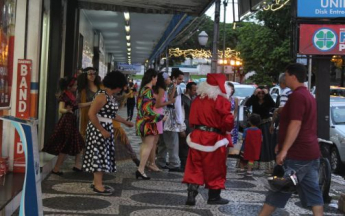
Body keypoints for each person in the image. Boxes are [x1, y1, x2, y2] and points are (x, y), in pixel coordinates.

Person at [259, 63, 323, 216]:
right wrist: (281, 144)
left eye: (286, 75)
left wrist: (284, 150)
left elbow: (296, 124)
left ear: (293, 76)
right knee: (313, 193)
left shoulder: (297, 96)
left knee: (280, 189)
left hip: (297, 154)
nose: (284, 78)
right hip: (311, 153)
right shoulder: (308, 95)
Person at [183, 74, 234, 206]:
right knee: (215, 168)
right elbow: (228, 121)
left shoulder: (197, 99)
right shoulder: (221, 100)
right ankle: (214, 197)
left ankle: (191, 192)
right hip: (214, 139)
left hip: (197, 136)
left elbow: (191, 119)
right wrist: (225, 130)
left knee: (195, 166)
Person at [82, 71, 133, 195]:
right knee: (99, 156)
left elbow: (110, 114)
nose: (122, 89)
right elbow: (91, 114)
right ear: (117, 85)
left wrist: (125, 122)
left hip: (104, 126)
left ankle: (97, 183)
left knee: (102, 156)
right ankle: (98, 186)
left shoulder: (107, 95)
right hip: (98, 129)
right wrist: (102, 130)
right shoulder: (102, 96)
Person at [43, 76, 85, 175]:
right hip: (67, 122)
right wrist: (67, 110)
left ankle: (76, 165)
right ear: (69, 87)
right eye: (74, 85)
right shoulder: (65, 96)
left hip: (71, 122)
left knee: (79, 142)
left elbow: (77, 105)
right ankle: (57, 168)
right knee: (66, 145)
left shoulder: (70, 95)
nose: (76, 86)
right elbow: (61, 109)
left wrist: (91, 103)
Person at [136, 69, 164, 180]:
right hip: (148, 122)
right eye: (156, 78)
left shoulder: (142, 89)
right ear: (152, 77)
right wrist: (161, 117)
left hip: (141, 121)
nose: (157, 80)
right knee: (148, 145)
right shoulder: (148, 91)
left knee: (144, 145)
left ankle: (141, 168)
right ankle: (141, 169)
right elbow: (147, 109)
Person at [156, 69, 185, 172]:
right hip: (170, 119)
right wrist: (180, 122)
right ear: (174, 78)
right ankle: (174, 163)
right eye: (180, 79)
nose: (181, 81)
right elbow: (176, 106)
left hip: (164, 118)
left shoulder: (166, 88)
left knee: (163, 142)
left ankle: (160, 161)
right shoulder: (175, 88)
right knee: (172, 142)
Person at [146, 72, 175, 172]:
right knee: (154, 142)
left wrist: (174, 87)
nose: (170, 80)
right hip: (158, 114)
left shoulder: (156, 88)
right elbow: (159, 105)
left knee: (152, 141)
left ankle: (149, 162)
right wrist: (170, 102)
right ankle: (152, 163)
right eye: (168, 78)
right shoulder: (161, 89)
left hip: (154, 114)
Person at [245, 86, 275, 172]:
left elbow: (274, 105)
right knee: (253, 144)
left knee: (265, 144)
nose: (261, 95)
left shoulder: (268, 100)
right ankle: (252, 163)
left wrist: (267, 94)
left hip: (265, 124)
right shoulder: (254, 99)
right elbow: (247, 104)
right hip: (255, 125)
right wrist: (254, 95)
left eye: (262, 93)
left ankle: (265, 163)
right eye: (259, 93)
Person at [113, 92, 140, 166]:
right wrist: (125, 122)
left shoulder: (111, 95)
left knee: (124, 141)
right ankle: (135, 159)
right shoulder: (105, 94)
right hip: (109, 125)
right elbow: (111, 113)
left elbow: (112, 113)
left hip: (114, 125)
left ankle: (135, 158)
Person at [77, 67, 101, 140]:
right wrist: (92, 103)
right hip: (87, 116)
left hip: (100, 115)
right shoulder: (82, 90)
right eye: (90, 74)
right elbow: (78, 104)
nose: (92, 76)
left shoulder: (100, 87)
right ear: (85, 76)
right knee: (87, 137)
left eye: (94, 74)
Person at [179, 82, 197, 171]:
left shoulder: (194, 98)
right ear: (188, 89)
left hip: (191, 124)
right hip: (185, 123)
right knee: (183, 144)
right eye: (194, 90)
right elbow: (181, 113)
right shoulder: (183, 99)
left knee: (190, 144)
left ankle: (188, 163)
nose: (195, 92)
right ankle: (183, 163)